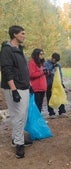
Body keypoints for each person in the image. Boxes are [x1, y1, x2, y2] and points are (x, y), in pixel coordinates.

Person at [0, 25, 32, 158]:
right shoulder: (7, 50)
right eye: (22, 34)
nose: (24, 36)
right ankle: (19, 143)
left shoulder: (19, 49)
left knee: (19, 115)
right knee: (19, 116)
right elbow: (6, 70)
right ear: (14, 34)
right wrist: (14, 90)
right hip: (14, 87)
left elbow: (23, 69)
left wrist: (29, 83)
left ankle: (15, 138)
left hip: (23, 86)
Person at [44, 52, 67, 118]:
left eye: (57, 61)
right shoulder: (46, 64)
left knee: (60, 96)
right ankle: (51, 113)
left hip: (57, 84)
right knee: (50, 97)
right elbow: (45, 73)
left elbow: (60, 74)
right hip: (49, 83)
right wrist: (52, 67)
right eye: (55, 60)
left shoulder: (58, 65)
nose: (55, 62)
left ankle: (62, 112)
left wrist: (62, 82)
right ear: (52, 58)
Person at [28, 48, 47, 113]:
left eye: (43, 54)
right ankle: (35, 121)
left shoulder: (41, 63)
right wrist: (42, 72)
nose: (42, 55)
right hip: (36, 88)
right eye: (41, 54)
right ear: (36, 54)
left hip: (42, 88)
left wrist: (47, 72)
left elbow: (43, 73)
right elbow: (31, 74)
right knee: (36, 105)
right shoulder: (32, 63)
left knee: (40, 105)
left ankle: (38, 120)